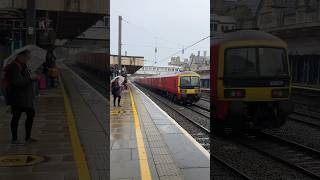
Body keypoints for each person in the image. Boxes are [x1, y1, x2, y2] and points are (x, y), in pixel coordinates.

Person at [6, 50, 38, 144]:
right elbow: (17, 82)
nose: (28, 59)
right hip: (17, 97)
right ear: (21, 56)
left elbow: (25, 78)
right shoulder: (14, 66)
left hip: (25, 97)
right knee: (16, 116)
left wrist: (32, 77)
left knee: (30, 114)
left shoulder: (23, 66)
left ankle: (27, 137)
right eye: (27, 57)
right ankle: (14, 139)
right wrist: (30, 78)